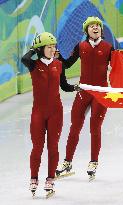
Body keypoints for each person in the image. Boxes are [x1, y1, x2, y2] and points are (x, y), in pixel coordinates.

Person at [56, 16, 114, 181]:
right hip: (84, 90)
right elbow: (67, 64)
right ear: (86, 30)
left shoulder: (109, 47)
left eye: (97, 26)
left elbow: (119, 67)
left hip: (101, 92)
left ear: (101, 30)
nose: (95, 28)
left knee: (95, 127)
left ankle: (93, 162)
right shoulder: (80, 46)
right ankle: (67, 162)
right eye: (91, 26)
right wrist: (59, 58)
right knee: (75, 127)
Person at [21, 32, 78, 197]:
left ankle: (50, 179)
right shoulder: (34, 65)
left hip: (56, 113)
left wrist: (75, 87)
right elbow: (25, 59)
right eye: (49, 47)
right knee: (37, 147)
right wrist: (34, 49)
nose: (53, 49)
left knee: (53, 146)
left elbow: (64, 86)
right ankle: (33, 178)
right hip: (38, 113)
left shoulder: (59, 64)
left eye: (54, 46)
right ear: (41, 49)